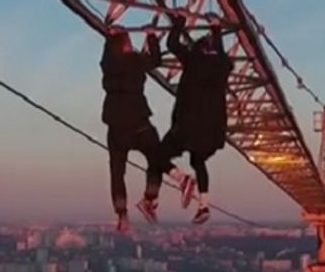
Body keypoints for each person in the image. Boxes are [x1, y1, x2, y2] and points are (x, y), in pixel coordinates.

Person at [160, 12, 234, 224]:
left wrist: (180, 22)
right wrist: (216, 29)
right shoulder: (222, 66)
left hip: (187, 126)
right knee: (198, 161)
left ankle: (181, 179)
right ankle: (203, 205)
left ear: (198, 49)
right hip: (211, 131)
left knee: (157, 155)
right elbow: (220, 54)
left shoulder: (193, 60)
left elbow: (173, 43)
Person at [99, 25, 172, 233]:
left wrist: (110, 38)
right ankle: (149, 199)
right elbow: (155, 60)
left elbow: (106, 56)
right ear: (125, 45)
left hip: (115, 124)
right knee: (156, 156)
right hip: (137, 120)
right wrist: (151, 36)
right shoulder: (135, 61)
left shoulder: (109, 64)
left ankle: (122, 214)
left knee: (116, 171)